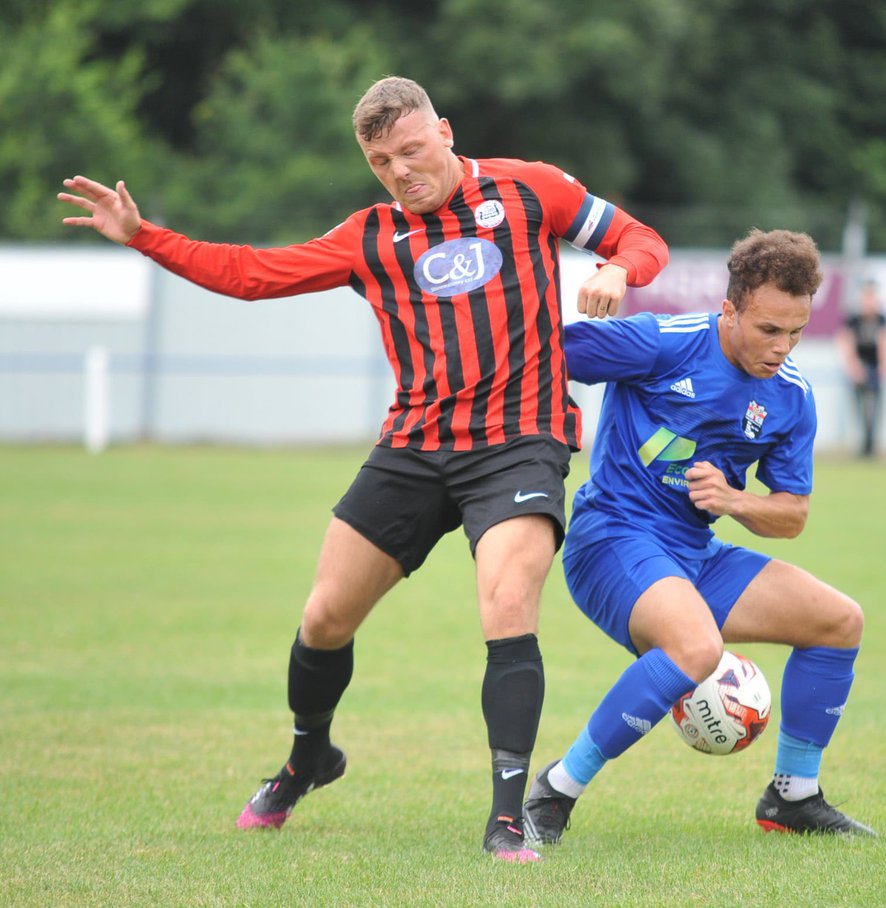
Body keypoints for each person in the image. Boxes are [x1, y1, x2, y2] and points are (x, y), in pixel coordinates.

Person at [58, 75, 668, 864]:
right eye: (382, 161)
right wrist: (145, 234)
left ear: (444, 132)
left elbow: (639, 239)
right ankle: (308, 758)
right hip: (415, 444)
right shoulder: (369, 236)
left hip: (521, 439)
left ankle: (508, 819)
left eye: (411, 150)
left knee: (509, 598)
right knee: (323, 620)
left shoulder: (530, 191)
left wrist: (620, 271)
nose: (400, 170)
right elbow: (250, 275)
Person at [521, 229, 875, 845]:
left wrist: (736, 501)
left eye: (795, 332)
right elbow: (542, 356)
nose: (782, 348)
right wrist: (549, 429)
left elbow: (793, 514)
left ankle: (793, 797)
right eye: (768, 330)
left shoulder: (791, 397)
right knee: (695, 647)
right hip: (612, 538)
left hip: (694, 554)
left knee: (839, 622)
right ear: (730, 309)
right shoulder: (663, 342)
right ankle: (556, 790)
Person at [835, 279, 886, 457]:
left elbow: (885, 342)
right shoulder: (854, 319)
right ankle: (863, 444)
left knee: (875, 409)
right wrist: (852, 365)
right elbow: (846, 341)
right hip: (859, 367)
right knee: (859, 408)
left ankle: (871, 444)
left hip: (875, 369)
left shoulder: (882, 319)